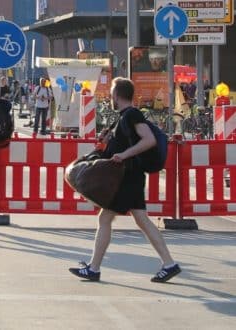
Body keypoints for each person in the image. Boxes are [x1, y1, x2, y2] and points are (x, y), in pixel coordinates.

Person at [69, 77, 181, 283]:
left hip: (126, 178)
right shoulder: (124, 117)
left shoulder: (131, 115)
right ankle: (169, 264)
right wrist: (108, 142)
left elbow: (149, 140)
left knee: (106, 219)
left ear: (117, 95)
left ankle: (94, 268)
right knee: (141, 220)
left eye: (112, 93)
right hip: (130, 177)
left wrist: (125, 154)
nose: (110, 97)